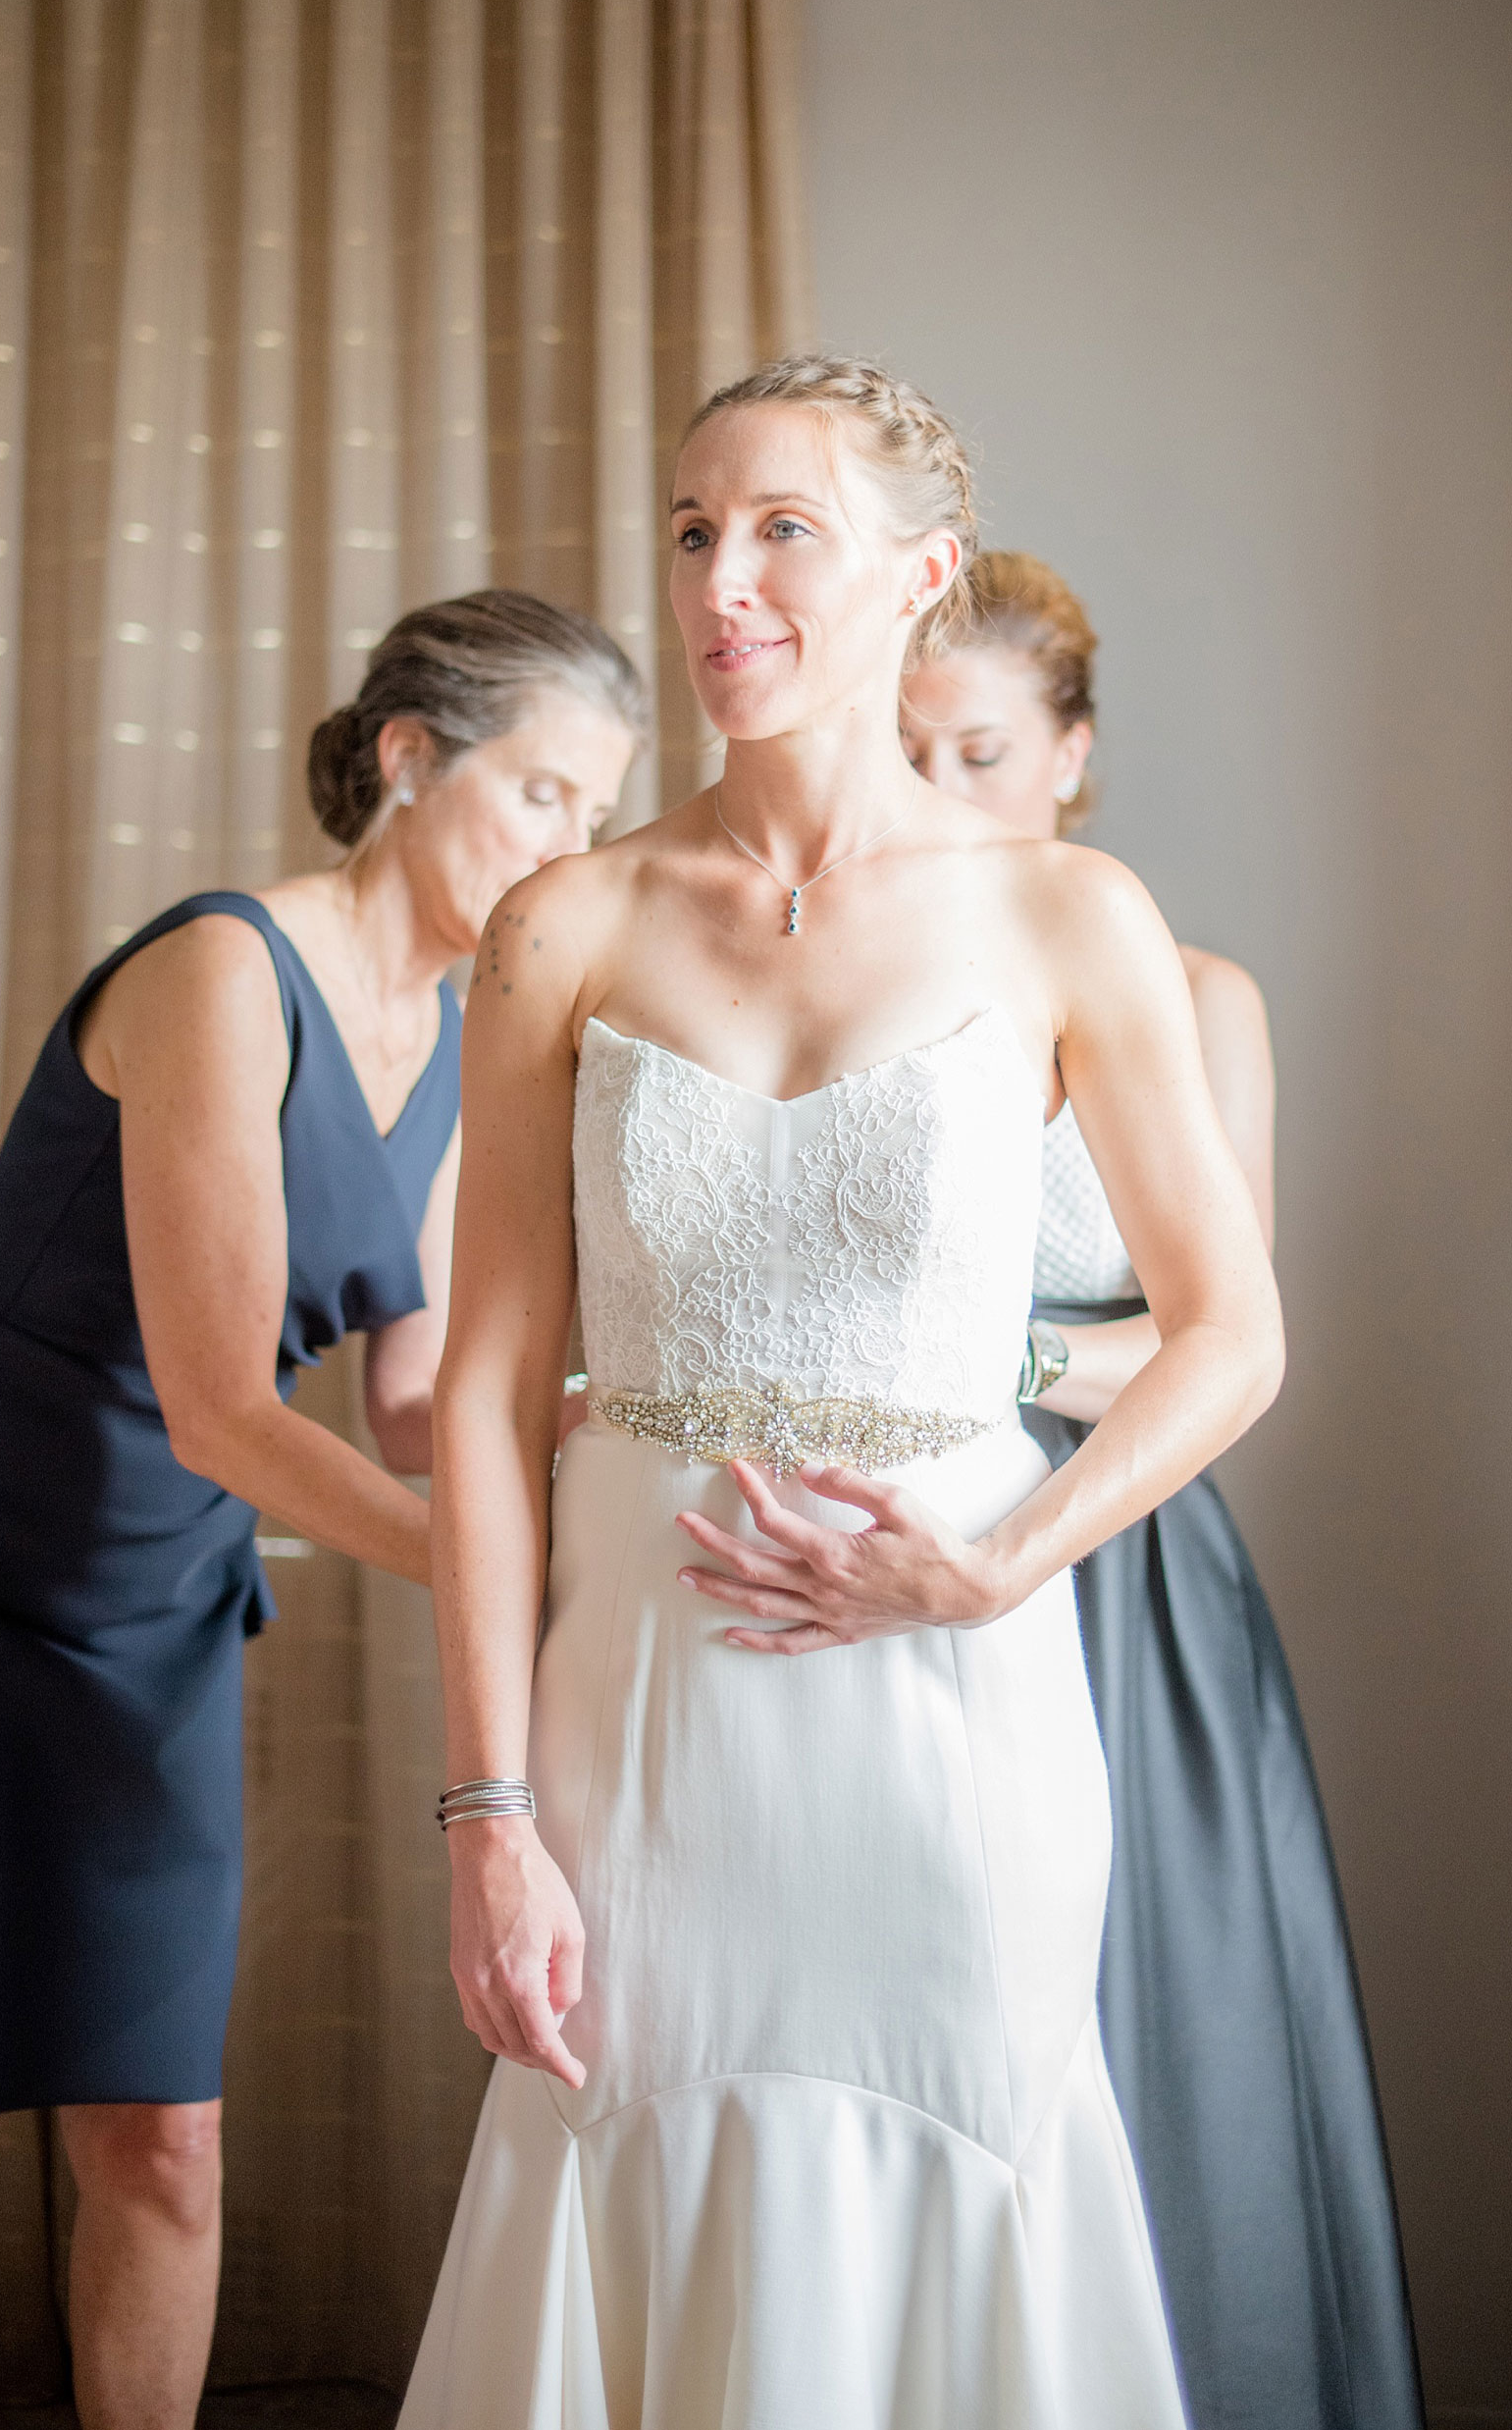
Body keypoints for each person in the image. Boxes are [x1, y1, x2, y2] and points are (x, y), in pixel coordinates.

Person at [398, 357, 1283, 2427]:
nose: (723, 580)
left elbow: (1231, 1331)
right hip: (643, 1703)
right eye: (695, 529)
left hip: (954, 1702)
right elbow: (486, 1389)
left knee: (968, 2177)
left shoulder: (1071, 918)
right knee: (621, 2161)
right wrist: (486, 1814)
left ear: (919, 572)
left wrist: (1003, 1568)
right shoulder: (567, 922)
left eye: (782, 526)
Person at [0, 590, 641, 2430]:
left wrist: (614, 1453)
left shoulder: (453, 1028)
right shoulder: (219, 968)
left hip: (158, 1607)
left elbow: (425, 1397)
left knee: (167, 2141)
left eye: (598, 812)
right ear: (408, 760)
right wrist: (495, 1566)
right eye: (542, 794)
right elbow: (217, 1412)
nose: (570, 850)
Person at [900, 550, 1426, 2430]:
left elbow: (1229, 1323)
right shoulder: (868, 997)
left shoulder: (1196, 997)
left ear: (1071, 757)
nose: (936, 789)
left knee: (1155, 2000)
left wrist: (1004, 1370)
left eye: (975, 749)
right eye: (905, 749)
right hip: (894, 1536)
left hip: (1122, 1547)